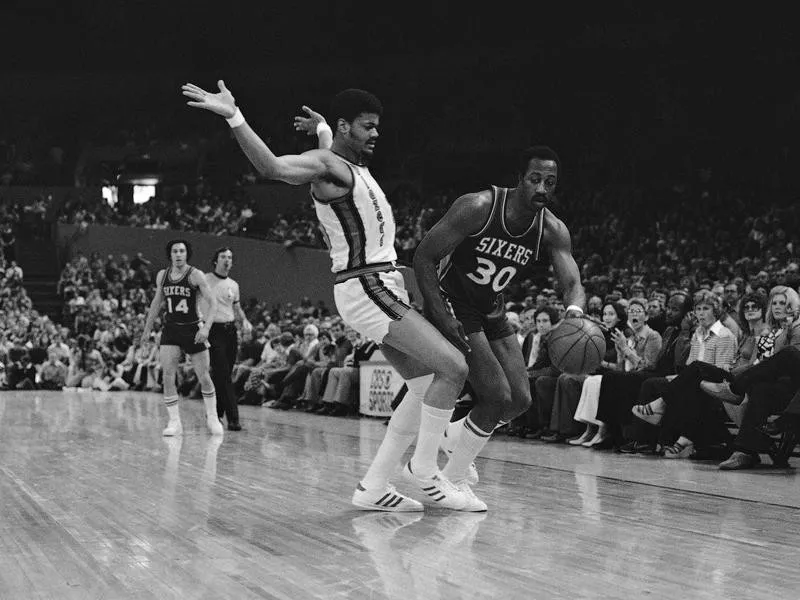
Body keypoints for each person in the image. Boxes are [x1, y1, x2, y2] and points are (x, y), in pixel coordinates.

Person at [182, 81, 470, 511]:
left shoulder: (347, 163)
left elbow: (329, 149)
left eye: (377, 127)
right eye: (368, 127)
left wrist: (321, 129)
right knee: (455, 368)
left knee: (425, 382)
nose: (376, 134)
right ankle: (426, 470)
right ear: (346, 127)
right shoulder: (330, 168)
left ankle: (373, 487)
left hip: (378, 285)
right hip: (366, 285)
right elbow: (274, 167)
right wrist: (234, 116)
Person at [413, 145, 587, 507]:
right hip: (455, 303)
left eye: (550, 183)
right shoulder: (479, 207)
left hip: (491, 308)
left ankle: (454, 435)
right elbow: (425, 256)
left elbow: (572, 283)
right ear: (519, 179)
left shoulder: (552, 229)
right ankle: (450, 481)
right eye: (535, 179)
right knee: (495, 397)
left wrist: (574, 310)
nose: (542, 188)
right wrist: (440, 313)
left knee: (520, 400)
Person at [140, 239, 223, 436]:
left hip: (193, 329)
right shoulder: (163, 275)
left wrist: (207, 328)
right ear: (170, 254)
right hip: (171, 330)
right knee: (168, 376)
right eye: (175, 251)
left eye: (182, 251)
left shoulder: (195, 275)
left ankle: (212, 418)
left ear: (187, 254)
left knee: (204, 376)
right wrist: (146, 330)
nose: (178, 254)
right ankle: (174, 422)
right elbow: (155, 304)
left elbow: (213, 304)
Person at [203, 247, 253, 431]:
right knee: (223, 375)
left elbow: (237, 309)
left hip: (230, 332)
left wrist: (245, 321)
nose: (227, 260)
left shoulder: (234, 284)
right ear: (215, 260)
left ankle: (215, 414)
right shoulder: (205, 279)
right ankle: (234, 418)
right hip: (212, 330)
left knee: (222, 375)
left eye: (230, 257)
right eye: (223, 256)